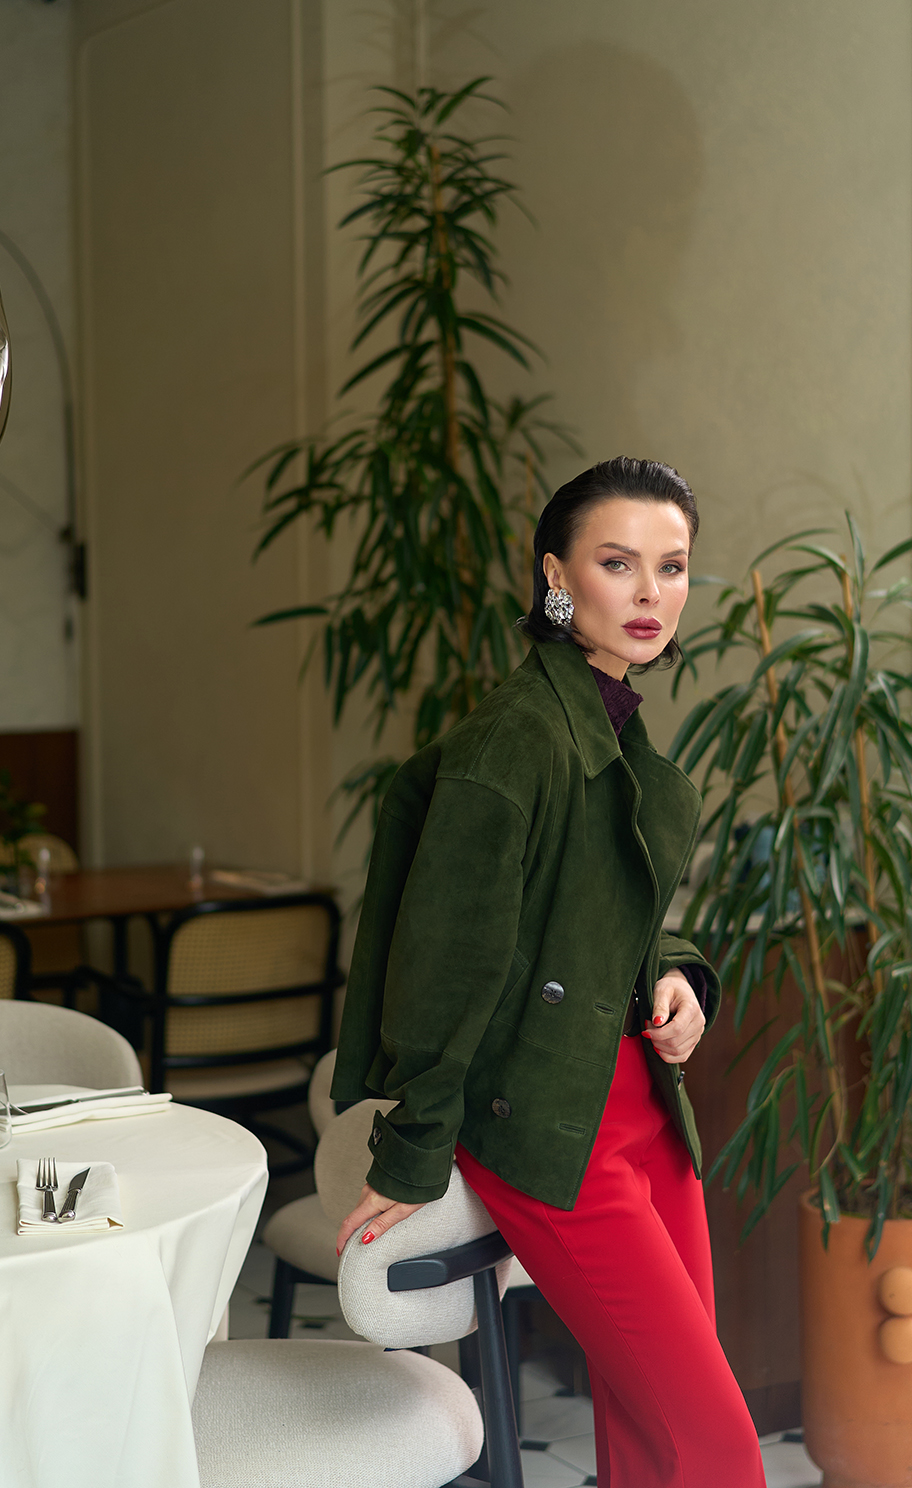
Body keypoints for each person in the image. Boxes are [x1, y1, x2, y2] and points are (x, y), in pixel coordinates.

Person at [331, 457, 766, 1487]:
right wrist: (411, 1151)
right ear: (557, 577)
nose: (650, 592)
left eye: (671, 567)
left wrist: (677, 980)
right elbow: (447, 962)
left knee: (652, 1433)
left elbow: (597, 915)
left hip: (642, 1106)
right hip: (549, 1121)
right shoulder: (516, 738)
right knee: (713, 1447)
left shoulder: (609, 720)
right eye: (618, 563)